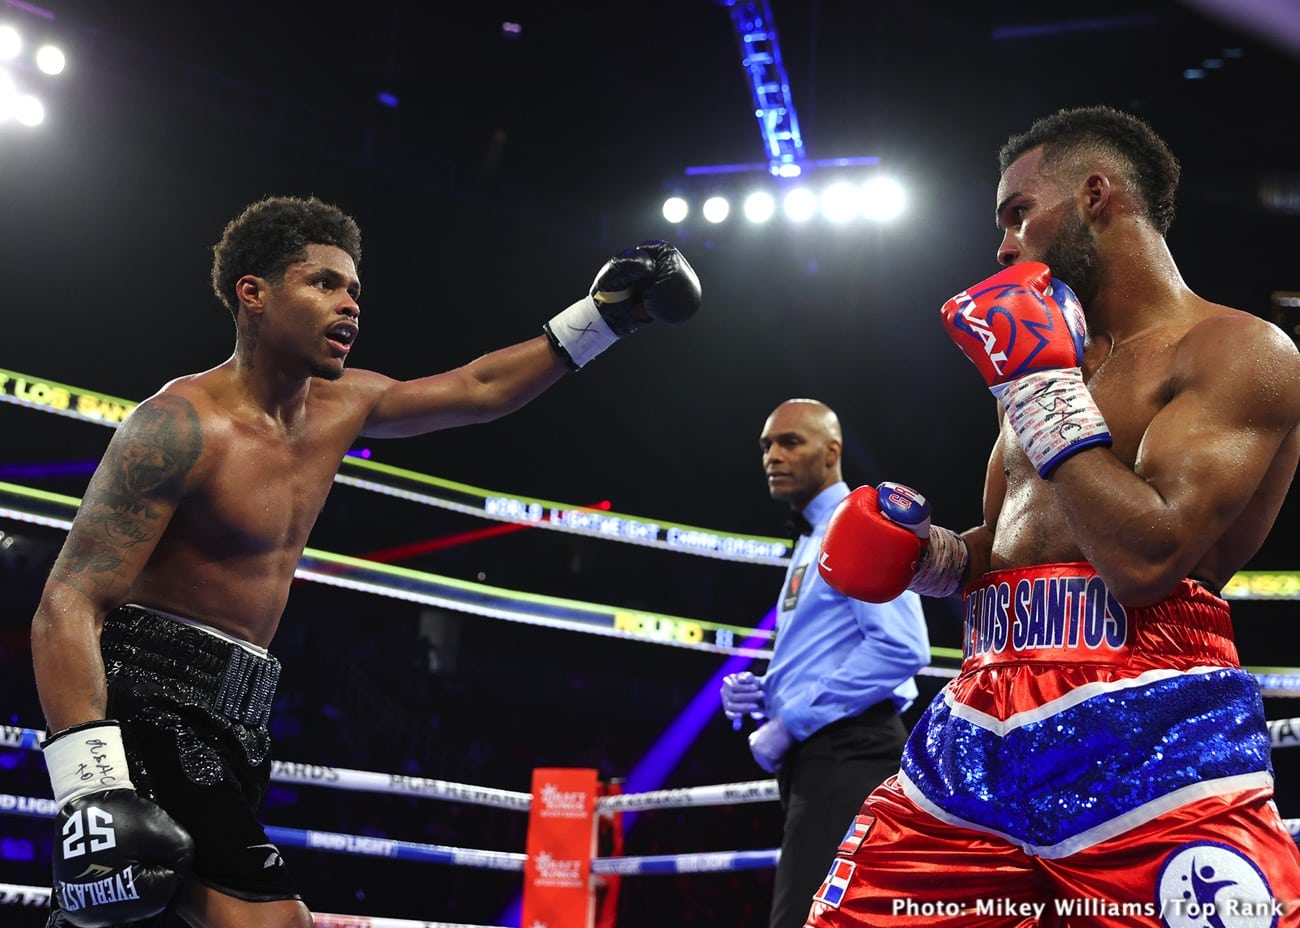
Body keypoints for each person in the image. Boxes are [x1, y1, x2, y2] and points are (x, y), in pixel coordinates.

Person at [28, 195, 701, 928]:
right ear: (252, 294)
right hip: (149, 700)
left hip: (242, 714)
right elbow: (68, 600)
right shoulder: (180, 425)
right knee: (271, 922)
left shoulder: (344, 405)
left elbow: (478, 390)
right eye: (323, 283)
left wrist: (606, 315)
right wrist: (91, 791)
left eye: (355, 290)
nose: (349, 303)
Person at [803, 105, 1300, 926]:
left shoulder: (1237, 350)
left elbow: (1146, 561)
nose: (1002, 246)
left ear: (1097, 196)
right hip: (979, 714)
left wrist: (1039, 390)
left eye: (1017, 212)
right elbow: (1003, 552)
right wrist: (924, 556)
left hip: (1148, 716)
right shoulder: (1047, 369)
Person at [720, 398, 930, 928]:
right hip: (824, 758)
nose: (773, 455)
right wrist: (766, 692)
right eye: (766, 444)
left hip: (848, 754)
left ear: (832, 451)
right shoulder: (813, 536)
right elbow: (826, 652)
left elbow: (902, 647)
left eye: (790, 442)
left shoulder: (862, 524)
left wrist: (790, 722)